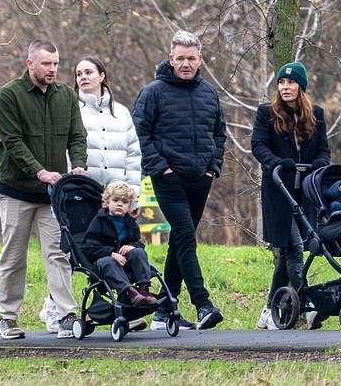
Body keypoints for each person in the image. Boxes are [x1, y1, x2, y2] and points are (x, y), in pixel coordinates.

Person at [38, 56, 147, 333]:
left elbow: (133, 155)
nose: (82, 77)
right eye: (77, 74)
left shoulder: (120, 113)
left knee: (120, 251)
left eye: (88, 72)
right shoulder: (71, 110)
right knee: (78, 253)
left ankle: (124, 305)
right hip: (81, 197)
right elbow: (64, 148)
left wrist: (132, 195)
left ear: (102, 75)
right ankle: (55, 307)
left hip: (116, 198)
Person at [0, 39, 88, 340]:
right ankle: (7, 318)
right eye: (46, 63)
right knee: (14, 255)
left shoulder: (66, 96)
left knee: (59, 253)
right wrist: (40, 171)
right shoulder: (8, 96)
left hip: (52, 194)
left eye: (56, 63)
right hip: (16, 189)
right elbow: (13, 142)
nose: (53, 69)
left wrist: (79, 165)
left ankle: (65, 315)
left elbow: (77, 135)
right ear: (30, 63)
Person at [132, 29, 226, 330]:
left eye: (191, 58)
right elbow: (139, 134)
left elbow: (219, 132)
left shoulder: (209, 93)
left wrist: (214, 166)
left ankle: (164, 310)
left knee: (178, 242)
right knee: (186, 236)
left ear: (200, 60)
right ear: (171, 60)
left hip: (201, 178)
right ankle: (203, 304)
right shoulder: (153, 92)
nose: (186, 63)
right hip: (168, 178)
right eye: (180, 58)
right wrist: (160, 167)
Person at [251, 61, 330, 330]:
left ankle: (269, 309)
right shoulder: (266, 114)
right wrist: (274, 162)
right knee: (293, 246)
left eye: (291, 83)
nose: (285, 87)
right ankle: (308, 305)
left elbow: (323, 151)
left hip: (304, 191)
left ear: (301, 87)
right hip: (279, 191)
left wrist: (320, 166)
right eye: (282, 83)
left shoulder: (316, 115)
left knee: (289, 252)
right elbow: (258, 145)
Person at [82, 181, 158, 306]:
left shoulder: (130, 222)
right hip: (106, 262)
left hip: (127, 262)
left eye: (124, 202)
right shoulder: (99, 220)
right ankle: (129, 291)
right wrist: (111, 253)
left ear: (129, 206)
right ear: (107, 202)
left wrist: (131, 246)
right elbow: (88, 246)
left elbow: (137, 242)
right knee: (107, 261)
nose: (119, 204)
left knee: (138, 251)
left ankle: (144, 289)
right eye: (115, 200)